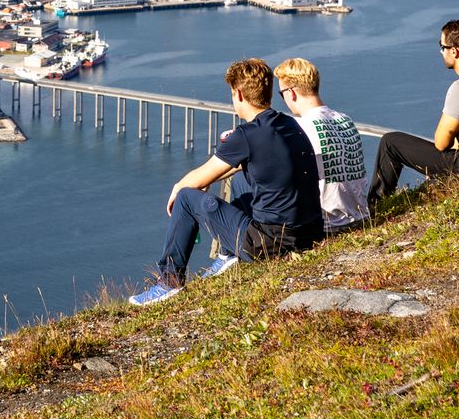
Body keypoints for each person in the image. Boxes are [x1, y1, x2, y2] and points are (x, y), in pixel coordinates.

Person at [130, 58, 324, 306]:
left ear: (239, 94)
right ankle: (228, 253)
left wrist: (178, 188)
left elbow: (199, 177)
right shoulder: (289, 123)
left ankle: (168, 282)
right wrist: (212, 177)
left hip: (270, 245)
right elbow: (241, 166)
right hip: (310, 234)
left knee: (187, 198)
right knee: (243, 175)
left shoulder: (245, 135)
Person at [365, 19, 459, 205]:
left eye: (442, 46)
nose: (441, 52)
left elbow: (441, 142)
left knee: (391, 142)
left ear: (454, 51)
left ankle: (376, 209)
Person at [273, 57, 369, 232]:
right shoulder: (345, 119)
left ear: (291, 92)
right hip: (362, 218)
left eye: (282, 94)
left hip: (328, 227)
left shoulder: (301, 127)